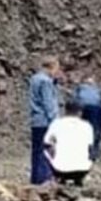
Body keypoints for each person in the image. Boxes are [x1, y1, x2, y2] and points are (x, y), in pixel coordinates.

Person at [43, 102, 94, 187]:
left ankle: (59, 179)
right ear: (80, 112)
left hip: (60, 169)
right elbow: (90, 147)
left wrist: (54, 150)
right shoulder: (87, 126)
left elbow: (46, 142)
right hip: (82, 169)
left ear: (65, 111)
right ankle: (78, 181)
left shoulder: (57, 123)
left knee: (45, 151)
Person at [29, 57, 62, 185]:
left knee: (36, 151)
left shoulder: (34, 79)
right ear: (51, 67)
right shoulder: (46, 82)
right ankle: (43, 180)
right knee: (46, 151)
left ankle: (35, 179)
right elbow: (49, 104)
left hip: (35, 120)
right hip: (45, 121)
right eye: (56, 68)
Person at [72, 76, 101, 161]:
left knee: (83, 132)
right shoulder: (97, 90)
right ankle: (93, 154)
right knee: (95, 132)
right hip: (96, 110)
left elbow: (74, 101)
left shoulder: (79, 89)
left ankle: (83, 152)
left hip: (83, 110)